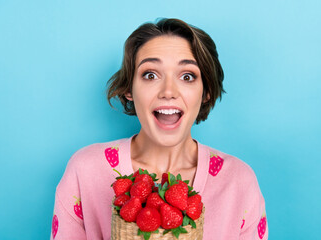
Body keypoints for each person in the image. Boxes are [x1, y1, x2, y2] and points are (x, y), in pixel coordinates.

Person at [50, 18, 268, 240]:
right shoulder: (85, 170)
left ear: (206, 92)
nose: (168, 91)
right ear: (129, 90)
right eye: (150, 75)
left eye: (187, 76)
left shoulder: (238, 181)